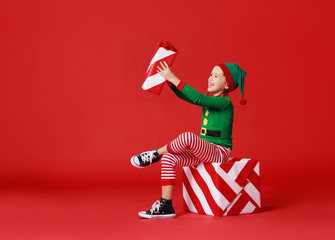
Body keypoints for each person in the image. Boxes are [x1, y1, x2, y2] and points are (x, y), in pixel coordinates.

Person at [131, 61, 247, 218]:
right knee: (169, 158)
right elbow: (188, 97)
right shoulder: (210, 99)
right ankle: (166, 205)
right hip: (205, 151)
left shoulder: (224, 102)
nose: (210, 78)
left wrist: (173, 77)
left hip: (219, 152)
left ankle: (155, 153)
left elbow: (198, 98)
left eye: (216, 76)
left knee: (187, 137)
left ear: (227, 86)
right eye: (210, 74)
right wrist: (169, 82)